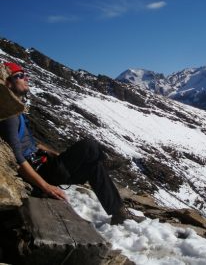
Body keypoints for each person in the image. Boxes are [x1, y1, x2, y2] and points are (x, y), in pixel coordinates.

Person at [0, 61, 144, 225]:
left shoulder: (15, 111)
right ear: (7, 83)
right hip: (42, 171)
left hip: (46, 164)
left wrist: (55, 154)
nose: (26, 78)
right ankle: (104, 161)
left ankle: (119, 213)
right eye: (20, 76)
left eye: (26, 75)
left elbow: (31, 144)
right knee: (88, 144)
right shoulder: (8, 117)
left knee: (94, 167)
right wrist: (46, 187)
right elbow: (17, 159)